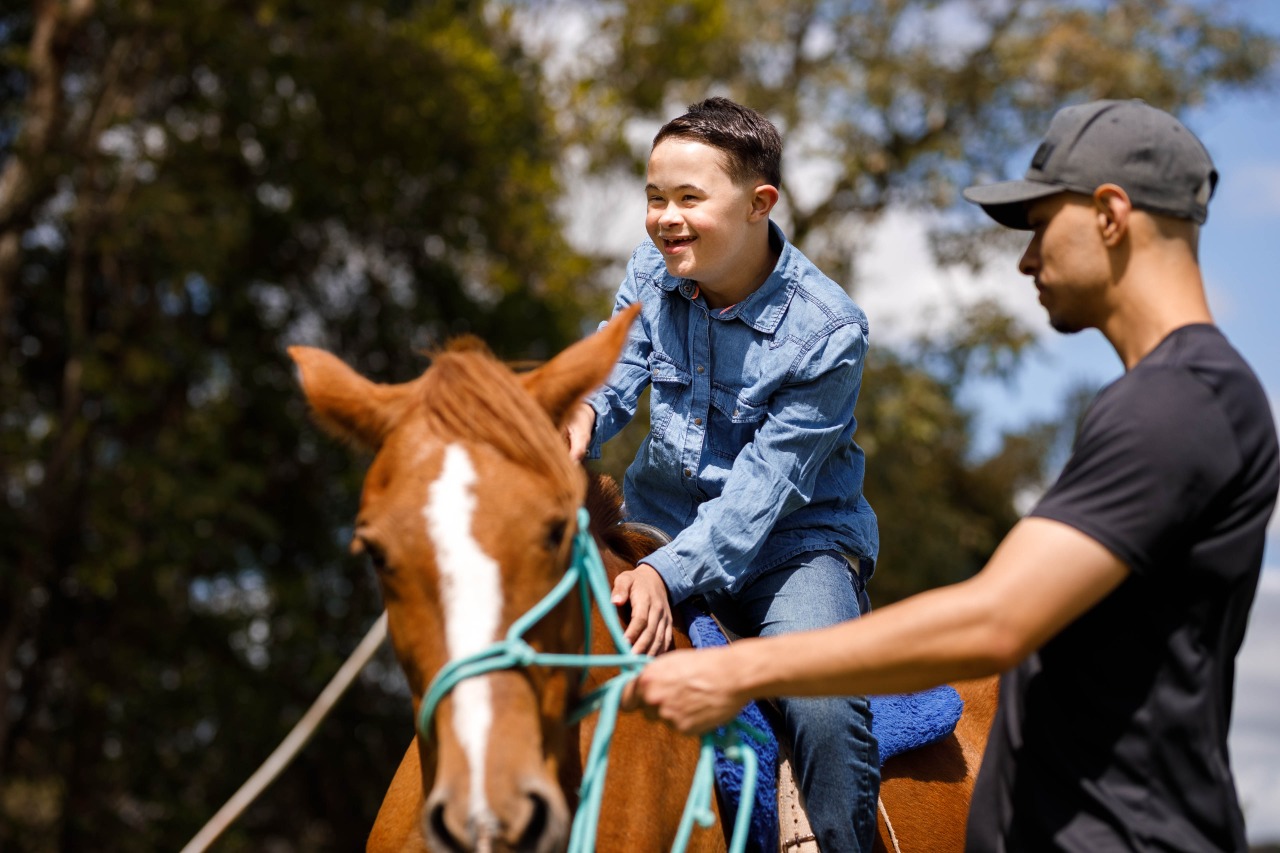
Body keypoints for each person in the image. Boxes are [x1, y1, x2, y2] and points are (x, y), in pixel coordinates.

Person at [628, 98, 1280, 852]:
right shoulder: (1157, 399)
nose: (1026, 259)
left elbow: (994, 618)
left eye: (1038, 226)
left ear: (1109, 213)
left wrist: (742, 670)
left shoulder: (1178, 406)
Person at [565, 97, 882, 851]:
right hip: (657, 515)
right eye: (654, 197)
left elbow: (756, 503)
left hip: (789, 546)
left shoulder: (829, 333)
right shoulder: (654, 268)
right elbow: (614, 374)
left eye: (688, 198)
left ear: (758, 204)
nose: (665, 217)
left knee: (823, 706)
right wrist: (576, 419)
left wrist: (663, 576)